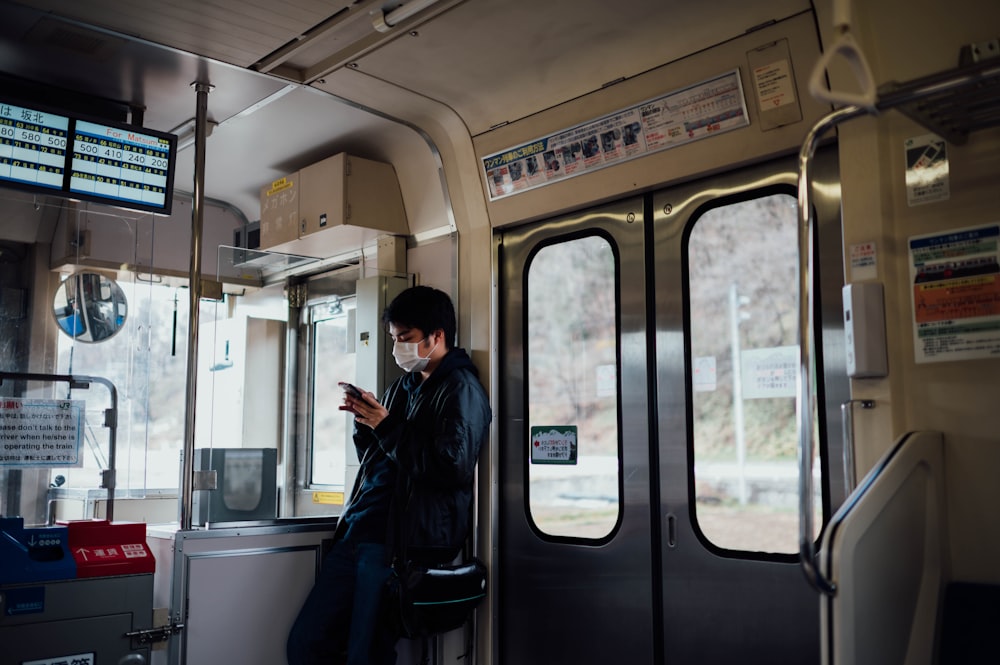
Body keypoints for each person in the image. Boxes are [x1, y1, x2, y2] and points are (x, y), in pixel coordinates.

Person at [287, 285, 491, 665]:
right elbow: (380, 460)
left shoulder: (461, 390)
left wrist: (387, 426)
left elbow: (451, 467)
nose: (399, 346)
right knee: (306, 644)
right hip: (357, 534)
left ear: (437, 336)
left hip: (396, 544)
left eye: (407, 338)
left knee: (367, 653)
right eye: (395, 338)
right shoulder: (404, 387)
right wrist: (366, 425)